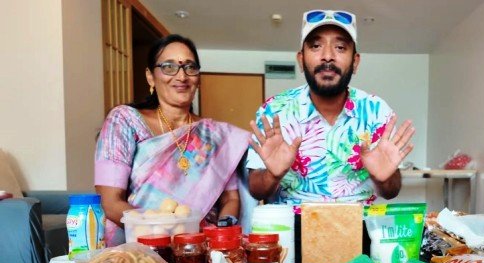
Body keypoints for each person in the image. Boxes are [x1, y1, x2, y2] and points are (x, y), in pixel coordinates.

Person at [247, 9, 415, 207]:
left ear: (355, 62)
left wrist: (383, 179)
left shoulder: (376, 111)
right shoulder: (274, 110)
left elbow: (391, 191)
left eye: (341, 47)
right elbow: (256, 190)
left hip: (359, 226)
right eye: (316, 46)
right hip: (292, 227)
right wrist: (272, 175)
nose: (328, 56)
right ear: (301, 60)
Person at [95, 34, 250, 246]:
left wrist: (221, 237)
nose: (181, 76)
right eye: (169, 67)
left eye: (190, 67)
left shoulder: (215, 135)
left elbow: (230, 199)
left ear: (198, 77)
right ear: (150, 77)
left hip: (201, 250)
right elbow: (110, 201)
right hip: (140, 250)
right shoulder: (124, 120)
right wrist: (162, 234)